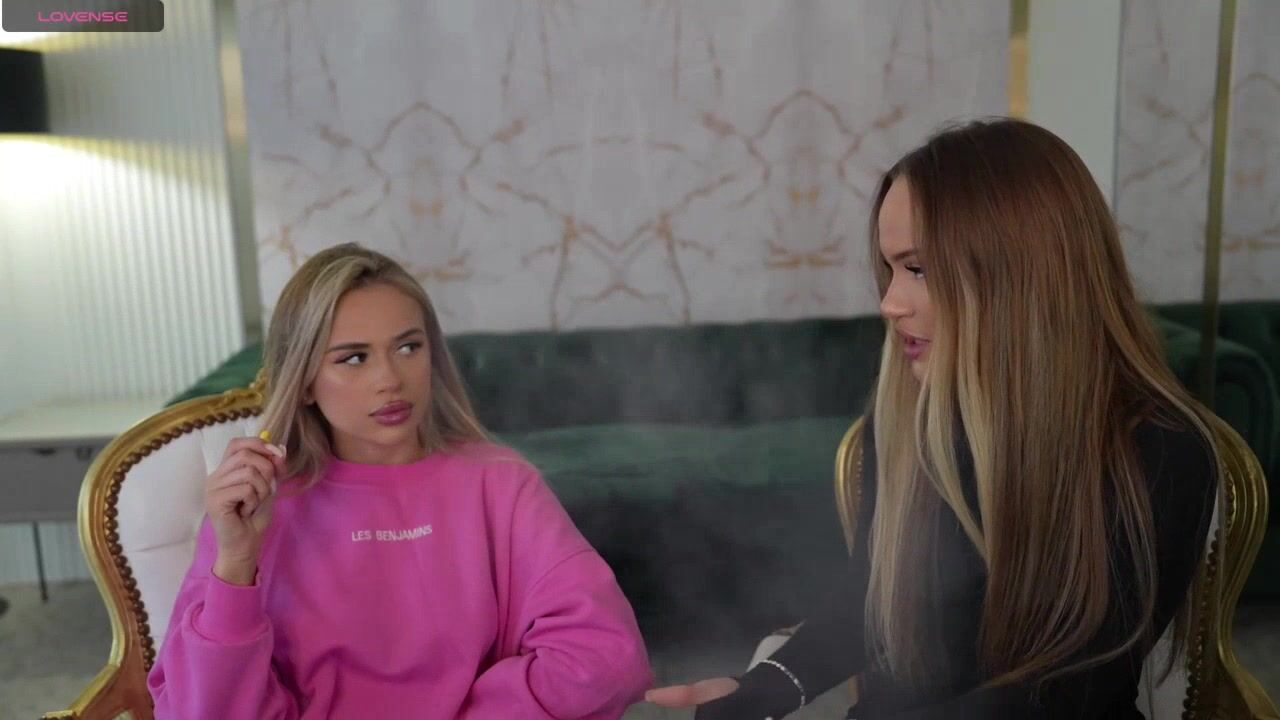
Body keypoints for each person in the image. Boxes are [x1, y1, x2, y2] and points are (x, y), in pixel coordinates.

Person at [647, 118, 1220, 719]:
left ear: (1019, 273)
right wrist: (762, 690)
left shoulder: (1161, 450)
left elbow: (1069, 692)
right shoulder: (913, 424)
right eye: (890, 269)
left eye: (917, 268)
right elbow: (874, 602)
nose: (889, 302)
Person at [148, 243, 652, 719]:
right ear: (303, 383)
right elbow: (199, 710)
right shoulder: (258, 507)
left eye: (408, 347)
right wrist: (236, 563)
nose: (390, 379)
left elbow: (606, 654)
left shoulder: (501, 485)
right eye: (353, 358)